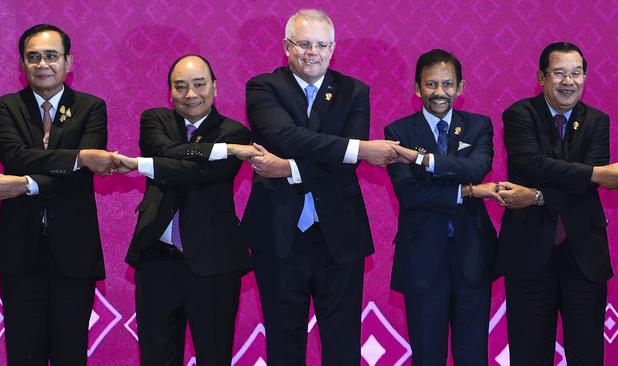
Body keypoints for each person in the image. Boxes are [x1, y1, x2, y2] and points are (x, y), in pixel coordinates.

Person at [241, 9, 405, 365]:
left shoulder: (354, 91)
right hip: (278, 235)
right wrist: (356, 149)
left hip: (340, 237)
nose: (311, 52)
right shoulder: (263, 87)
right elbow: (285, 135)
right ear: (287, 47)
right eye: (303, 44)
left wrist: (288, 167)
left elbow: (344, 162)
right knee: (284, 344)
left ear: (332, 49)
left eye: (320, 45)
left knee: (343, 343)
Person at [114, 54, 260, 366]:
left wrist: (149, 166)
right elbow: (160, 150)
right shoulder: (155, 120)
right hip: (157, 259)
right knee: (156, 356)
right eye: (180, 87)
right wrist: (218, 152)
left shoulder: (235, 133)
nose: (190, 94)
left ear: (215, 87)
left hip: (214, 262)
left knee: (214, 355)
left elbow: (200, 173)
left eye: (198, 85)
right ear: (170, 92)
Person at [0, 23, 117, 365]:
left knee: (70, 353)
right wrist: (77, 158)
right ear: (22, 64)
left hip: (74, 251)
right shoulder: (6, 108)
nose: (42, 64)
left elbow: (84, 173)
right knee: (23, 353)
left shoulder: (91, 107)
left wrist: (27, 184)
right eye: (33, 57)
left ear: (68, 62)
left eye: (51, 56)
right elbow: (14, 155)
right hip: (20, 250)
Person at [496, 41, 616, 366]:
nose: (569, 82)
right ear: (541, 77)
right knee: (529, 354)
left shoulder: (597, 121)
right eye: (560, 73)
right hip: (529, 254)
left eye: (576, 74)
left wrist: (536, 195)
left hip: (584, 259)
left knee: (588, 354)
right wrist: (593, 174)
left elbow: (573, 181)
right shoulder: (519, 114)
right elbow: (533, 164)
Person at [384, 49, 500, 366]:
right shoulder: (398, 133)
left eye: (447, 84)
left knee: (473, 354)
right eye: (431, 84)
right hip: (422, 258)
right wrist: (468, 191)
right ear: (416, 88)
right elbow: (409, 194)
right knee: (427, 355)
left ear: (460, 87)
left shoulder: (479, 126)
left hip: (472, 257)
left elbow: (478, 168)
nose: (439, 92)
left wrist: (425, 160)